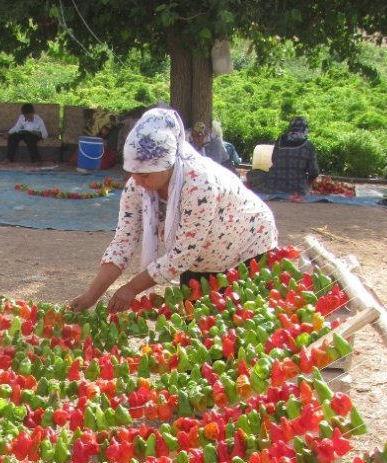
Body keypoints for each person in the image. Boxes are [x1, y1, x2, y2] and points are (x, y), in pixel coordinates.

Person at [69, 107, 277, 314]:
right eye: (134, 173)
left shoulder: (198, 184)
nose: (139, 181)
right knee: (196, 328)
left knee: (240, 324)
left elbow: (182, 253)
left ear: (168, 164)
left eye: (146, 175)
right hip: (199, 262)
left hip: (248, 249)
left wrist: (131, 288)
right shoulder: (136, 187)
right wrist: (91, 296)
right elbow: (124, 241)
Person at [264, 116, 320, 195]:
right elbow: (314, 172)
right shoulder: (308, 146)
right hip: (297, 190)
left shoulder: (280, 140)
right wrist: (308, 185)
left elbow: (273, 159)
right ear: (305, 129)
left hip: (273, 187)